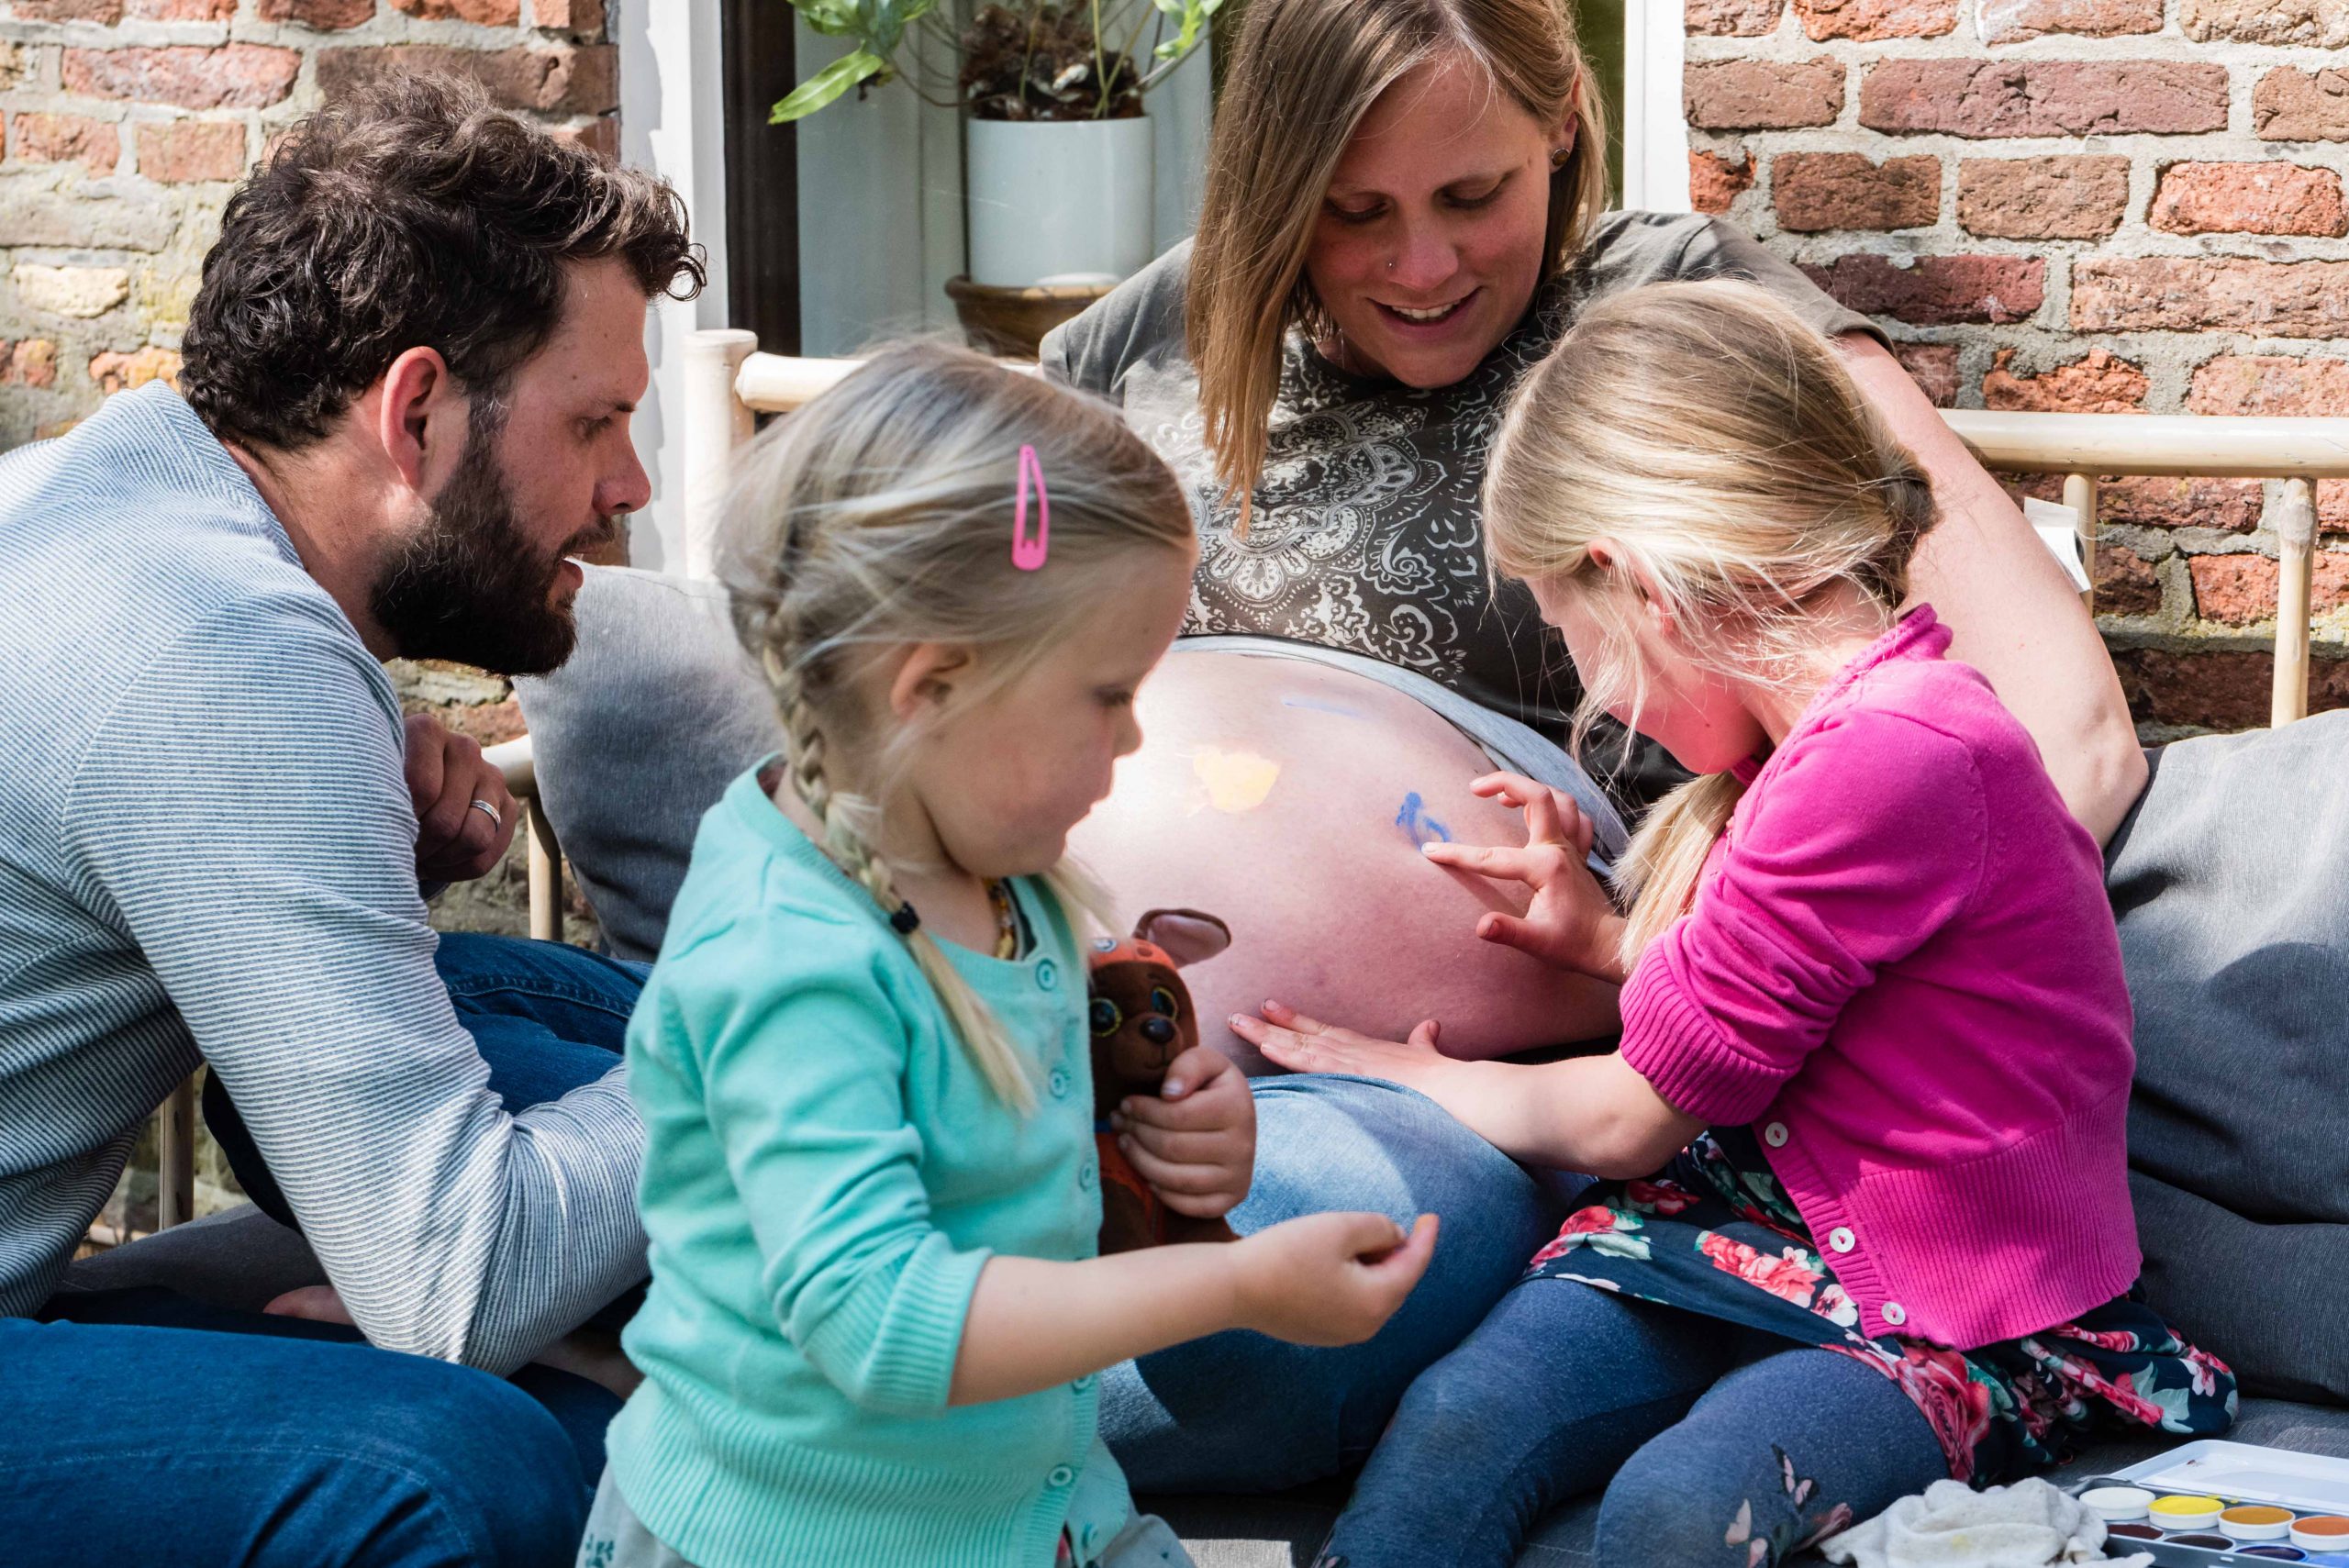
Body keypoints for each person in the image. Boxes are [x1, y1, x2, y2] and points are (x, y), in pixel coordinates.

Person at [1047, 0, 2147, 1496]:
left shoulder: (1680, 310)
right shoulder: (1142, 339)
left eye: (1474, 196)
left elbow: (2059, 727)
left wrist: (1724, 961)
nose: (1422, 265)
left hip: (1462, 1088)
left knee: (1194, 1307)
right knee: (741, 1091)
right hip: (1064, 998)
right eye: (1350, 211)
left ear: (1564, 116)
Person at [1233, 283, 2236, 1566]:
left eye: (1576, 640)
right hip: (1740, 1239)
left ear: (1641, 586)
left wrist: (1415, 1074)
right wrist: (1608, 943)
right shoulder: (1818, 749)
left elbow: (1628, 1115)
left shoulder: (1894, 754)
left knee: (1683, 1502)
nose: (1597, 693)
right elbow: (1813, 1002)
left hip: (1943, 1308)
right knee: (1460, 1416)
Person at [578, 341, 1436, 1568]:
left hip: (1027, 1510)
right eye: (1106, 693)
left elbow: (1000, 1150)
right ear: (931, 686)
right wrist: (1236, 1288)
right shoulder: (787, 960)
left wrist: (1184, 1141)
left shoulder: (1002, 877)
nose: (1137, 735)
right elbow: (882, 1319)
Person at [0, 76, 699, 1566]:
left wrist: (362, 784)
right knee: (462, 1461)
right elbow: (457, 1285)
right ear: (418, 408)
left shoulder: (95, 500)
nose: (626, 488)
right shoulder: (219, 646)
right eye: (599, 423)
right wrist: (771, 1050)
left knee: (484, 994)